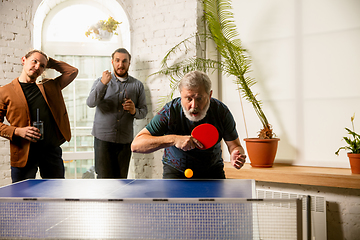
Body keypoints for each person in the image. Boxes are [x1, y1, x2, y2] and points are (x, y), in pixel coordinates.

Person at [131, 70, 246, 179]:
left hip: (212, 171)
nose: (194, 105)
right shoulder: (170, 112)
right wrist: (174, 139)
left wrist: (236, 154)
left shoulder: (221, 112)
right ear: (181, 95)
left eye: (199, 98)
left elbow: (235, 146)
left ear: (209, 95)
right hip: (175, 172)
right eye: (188, 99)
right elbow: (136, 145)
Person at [0, 49, 78, 183]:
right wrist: (17, 131)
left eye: (42, 66)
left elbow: (72, 71)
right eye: (34, 61)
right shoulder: (5, 91)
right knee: (22, 197)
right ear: (23, 60)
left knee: (56, 194)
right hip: (23, 152)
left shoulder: (50, 86)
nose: (37, 67)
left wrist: (49, 61)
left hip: (51, 151)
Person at [86, 48, 147, 179]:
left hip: (125, 141)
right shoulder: (101, 81)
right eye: (117, 61)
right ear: (112, 62)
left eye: (124, 61)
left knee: (121, 180)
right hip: (103, 139)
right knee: (104, 179)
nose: (121, 64)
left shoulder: (137, 85)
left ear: (129, 63)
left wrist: (134, 110)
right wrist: (103, 84)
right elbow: (90, 102)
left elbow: (143, 112)